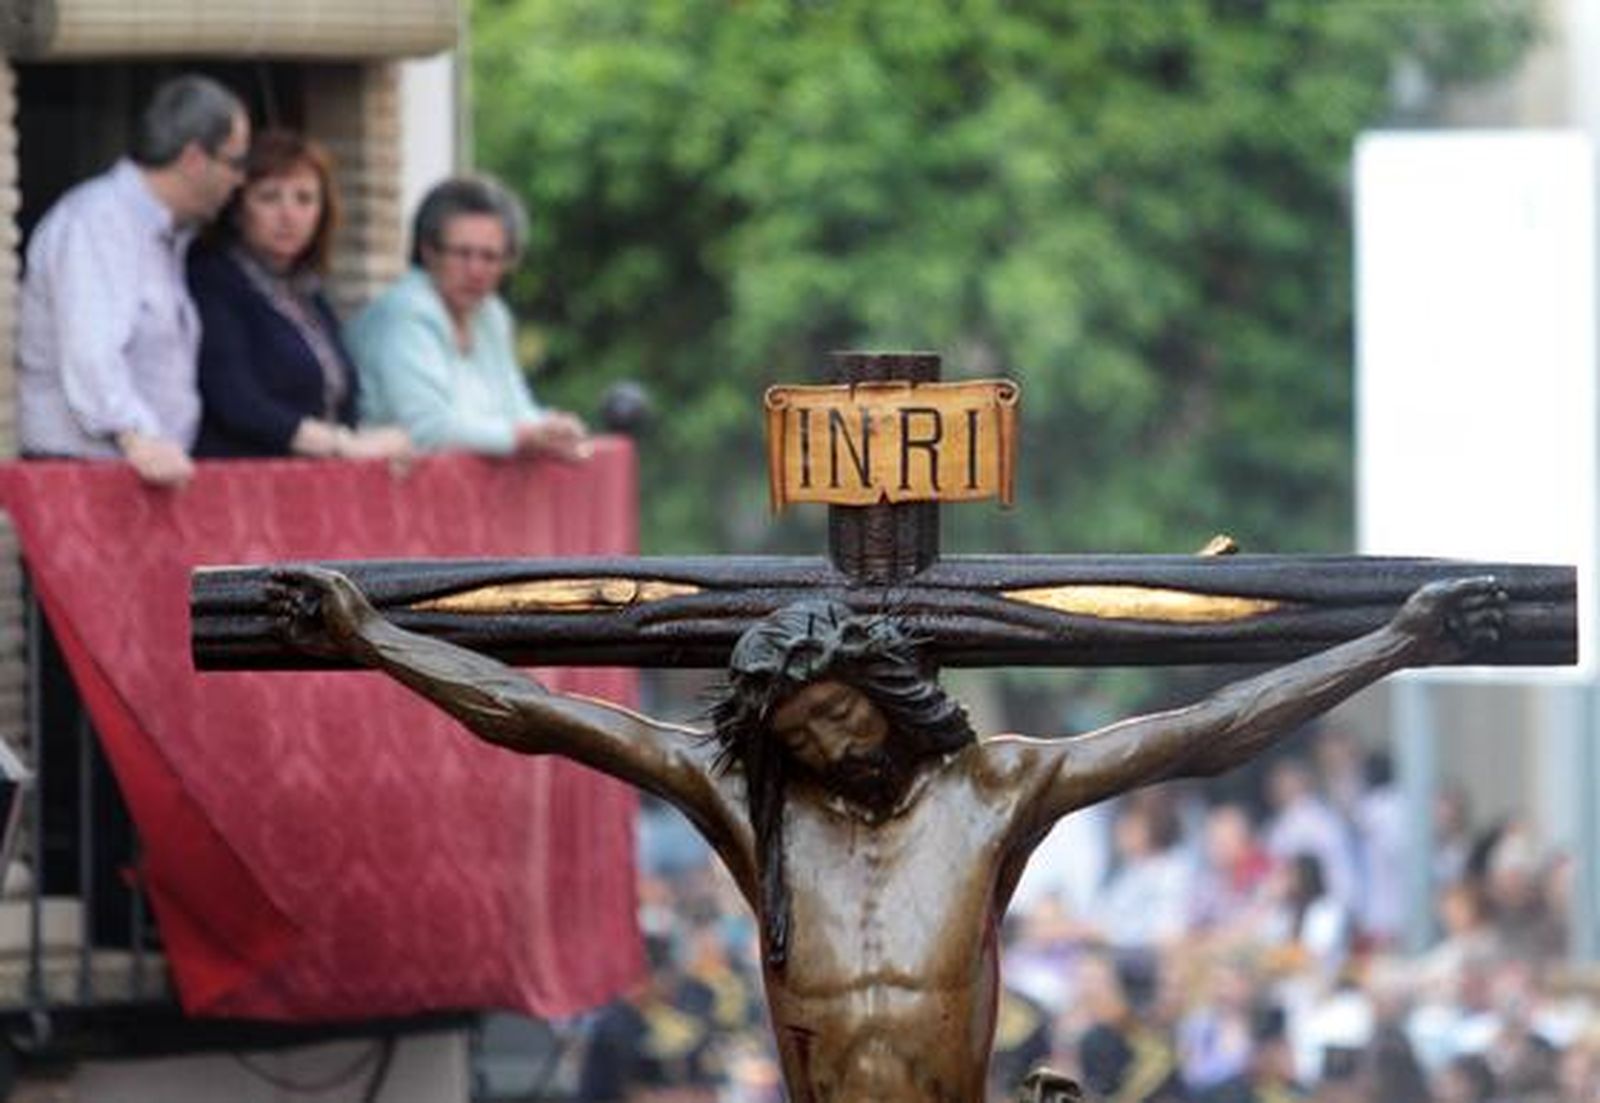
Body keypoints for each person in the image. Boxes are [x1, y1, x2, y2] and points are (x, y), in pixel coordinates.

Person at [268, 568, 1505, 1103]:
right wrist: (372, 635)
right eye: (802, 734)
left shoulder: (994, 790)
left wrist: (1395, 640)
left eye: (845, 714)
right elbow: (535, 713)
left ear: (893, 695)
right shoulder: (748, 805)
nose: (830, 746)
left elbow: (1207, 729)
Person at [18, 73, 250, 487]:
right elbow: (92, 353)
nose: (240, 179)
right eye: (234, 162)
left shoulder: (163, 233)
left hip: (133, 474)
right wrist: (137, 437)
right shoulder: (98, 221)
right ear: (194, 158)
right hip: (86, 477)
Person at [188, 130, 410, 460]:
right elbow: (237, 401)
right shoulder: (213, 281)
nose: (288, 215)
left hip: (312, 486)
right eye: (269, 197)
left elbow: (339, 396)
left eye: (304, 199)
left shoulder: (308, 291)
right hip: (240, 486)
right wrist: (342, 444)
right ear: (236, 207)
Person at [346, 175, 589, 460]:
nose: (476, 270)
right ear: (428, 251)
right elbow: (427, 431)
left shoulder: (491, 314)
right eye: (462, 254)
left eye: (490, 257)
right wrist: (524, 437)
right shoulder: (405, 313)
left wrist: (554, 428)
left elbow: (514, 409)